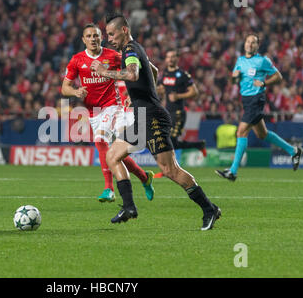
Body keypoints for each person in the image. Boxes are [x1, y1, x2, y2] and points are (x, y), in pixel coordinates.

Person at [91, 13, 220, 231]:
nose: (109, 39)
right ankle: (129, 207)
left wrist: (105, 72)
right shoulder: (133, 49)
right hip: (142, 115)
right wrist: (142, 95)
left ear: (124, 30)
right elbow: (154, 71)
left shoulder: (130, 50)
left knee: (170, 170)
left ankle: (210, 209)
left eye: (111, 34)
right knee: (112, 156)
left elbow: (132, 75)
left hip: (152, 117)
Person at [61, 23, 155, 203]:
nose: (93, 39)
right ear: (83, 39)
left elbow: (134, 70)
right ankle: (144, 177)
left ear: (101, 38)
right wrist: (75, 92)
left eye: (96, 36)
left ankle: (109, 189)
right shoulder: (77, 60)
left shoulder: (112, 55)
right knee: (113, 153)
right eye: (88, 36)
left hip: (113, 106)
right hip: (93, 112)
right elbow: (64, 87)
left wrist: (131, 94)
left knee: (100, 140)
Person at [216, 34, 303, 181]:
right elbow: (234, 79)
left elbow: (278, 76)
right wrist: (234, 77)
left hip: (256, 99)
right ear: (244, 44)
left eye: (253, 42)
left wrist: (264, 83)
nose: (250, 44)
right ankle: (293, 151)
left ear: (257, 46)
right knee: (262, 134)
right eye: (248, 41)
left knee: (241, 132)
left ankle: (233, 171)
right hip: (246, 99)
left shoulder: (262, 61)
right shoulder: (240, 60)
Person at [153, 49, 207, 178]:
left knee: (170, 141)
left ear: (177, 59)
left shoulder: (182, 75)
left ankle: (168, 170)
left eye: (173, 57)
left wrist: (178, 96)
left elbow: (194, 92)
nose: (170, 59)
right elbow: (161, 89)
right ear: (165, 59)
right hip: (166, 112)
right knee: (168, 141)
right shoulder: (164, 75)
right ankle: (198, 145)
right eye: (168, 57)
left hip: (178, 113)